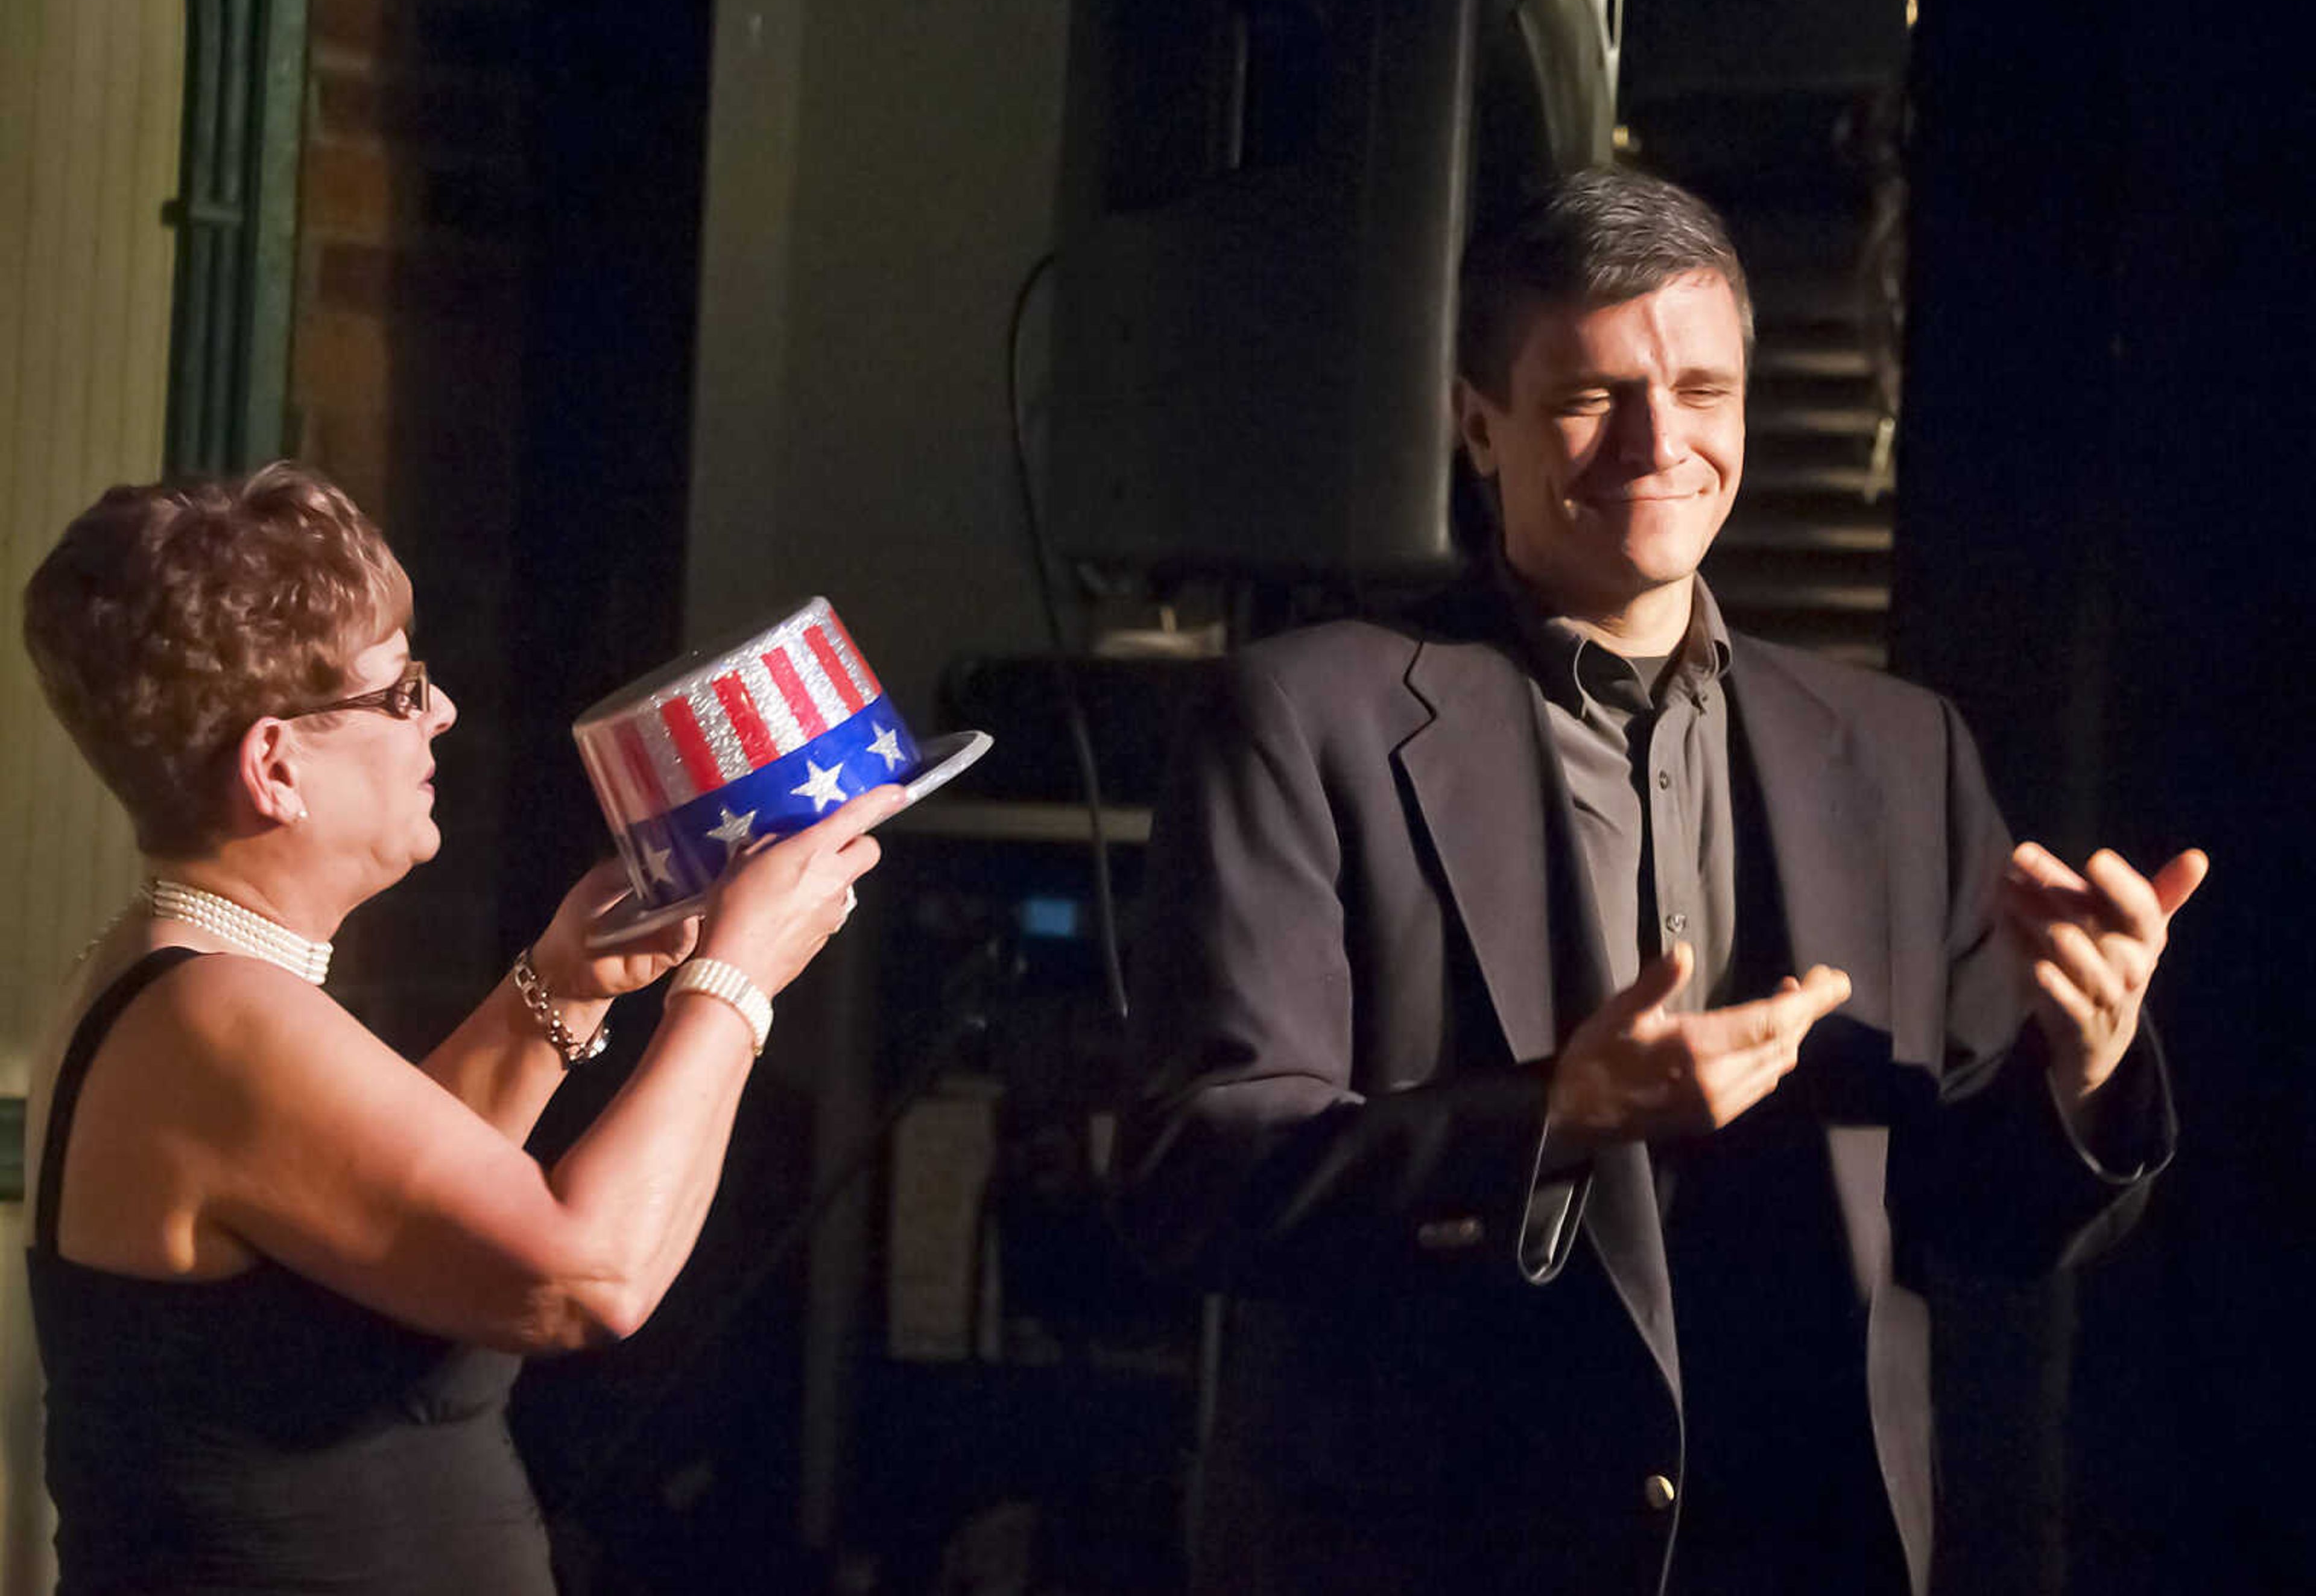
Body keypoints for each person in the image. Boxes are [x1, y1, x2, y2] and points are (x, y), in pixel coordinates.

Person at [1113, 168, 2207, 1596]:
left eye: (1704, 389)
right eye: (1591, 395)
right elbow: (1193, 1175)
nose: (1659, 441)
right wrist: (1552, 1112)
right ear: (1476, 421)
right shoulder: (1301, 720)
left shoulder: (1897, 748)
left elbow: (1984, 1217)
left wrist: (2087, 1060)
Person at [13, 462, 903, 1592]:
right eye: (397, 690)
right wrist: (738, 977)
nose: (440, 710)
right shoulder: (212, 1015)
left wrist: (562, 987)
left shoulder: (188, 986)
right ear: (276, 768)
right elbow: (590, 1279)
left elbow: (375, 1219)